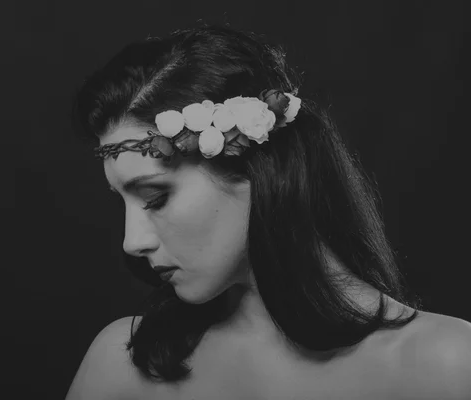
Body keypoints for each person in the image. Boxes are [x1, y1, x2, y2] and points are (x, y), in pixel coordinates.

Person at [66, 22, 471, 400]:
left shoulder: (446, 366)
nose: (132, 242)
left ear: (254, 165)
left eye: (156, 197)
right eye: (123, 202)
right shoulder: (120, 365)